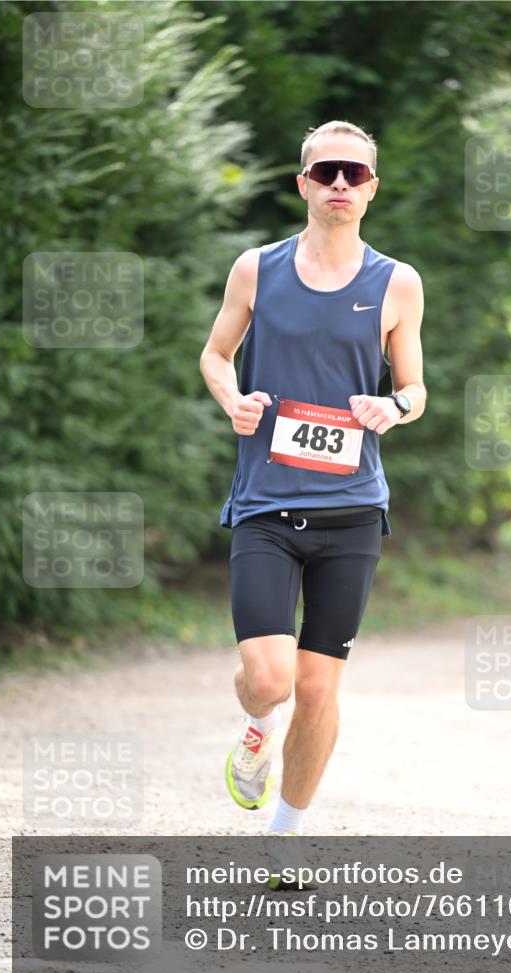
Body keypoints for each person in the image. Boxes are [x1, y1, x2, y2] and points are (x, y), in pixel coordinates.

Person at [200, 120, 425, 840]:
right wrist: (232, 399)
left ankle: (285, 835)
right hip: (266, 502)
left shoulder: (396, 283)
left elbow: (416, 389)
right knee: (270, 680)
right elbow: (214, 355)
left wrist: (389, 406)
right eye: (324, 172)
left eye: (352, 175)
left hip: (351, 512)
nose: (338, 185)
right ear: (302, 184)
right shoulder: (255, 269)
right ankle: (257, 727)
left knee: (319, 686)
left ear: (370, 190)